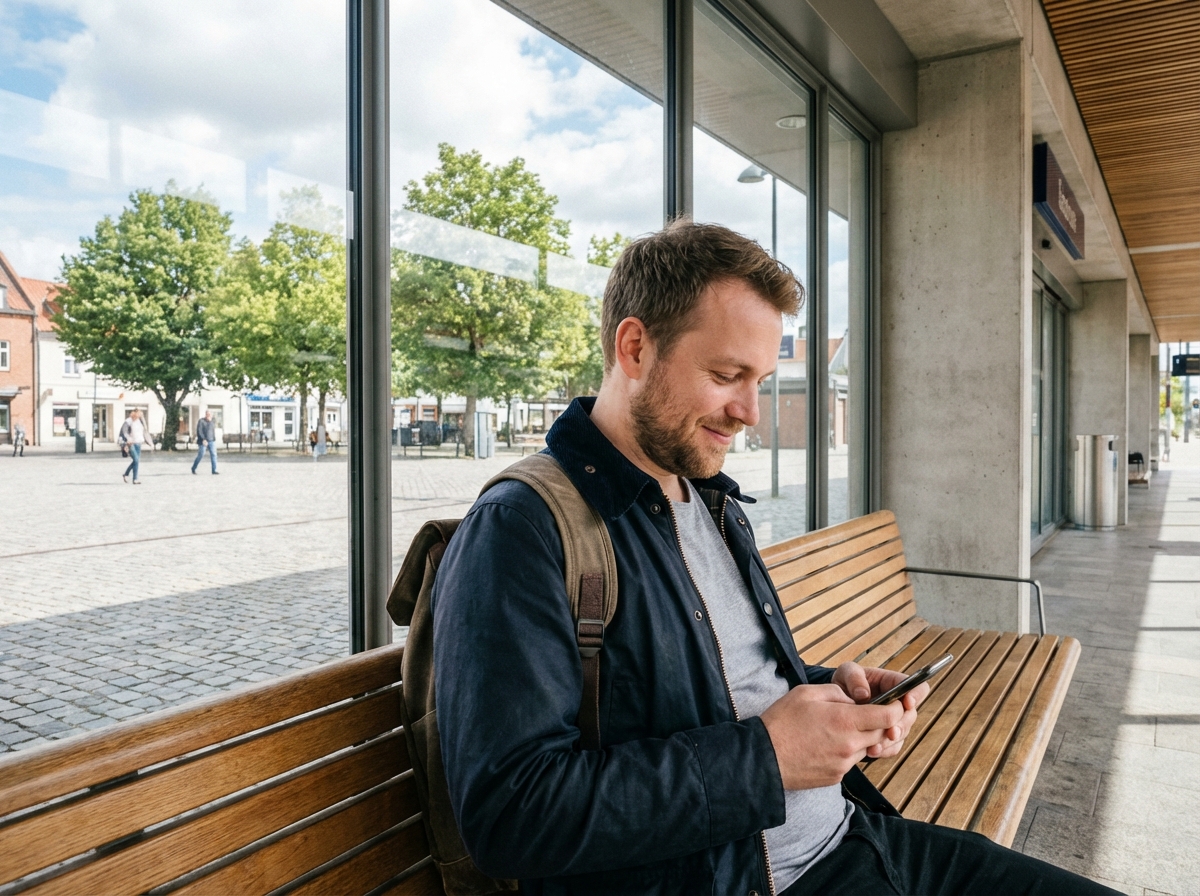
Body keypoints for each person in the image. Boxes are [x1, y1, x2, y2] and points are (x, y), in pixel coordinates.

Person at [431, 221, 1116, 895]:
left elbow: (718, 685)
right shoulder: (522, 528)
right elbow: (511, 818)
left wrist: (831, 696)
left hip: (858, 837)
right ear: (635, 347)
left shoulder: (710, 501)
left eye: (758, 379)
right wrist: (769, 757)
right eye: (728, 375)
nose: (750, 413)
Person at [119, 408, 153, 484]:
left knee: (136, 461)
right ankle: (134, 478)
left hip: (139, 443)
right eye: (138, 414)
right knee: (136, 460)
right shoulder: (128, 421)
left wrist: (150, 443)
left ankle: (127, 475)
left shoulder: (140, 422)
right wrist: (128, 439)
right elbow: (124, 431)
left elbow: (145, 433)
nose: (139, 416)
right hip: (131, 443)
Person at [191, 410, 218, 475]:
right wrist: (203, 439)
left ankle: (214, 470)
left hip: (211, 440)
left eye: (209, 414)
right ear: (205, 414)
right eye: (207, 414)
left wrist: (213, 438)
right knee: (201, 455)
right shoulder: (201, 421)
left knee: (214, 454)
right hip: (203, 441)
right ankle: (193, 468)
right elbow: (199, 431)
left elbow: (212, 431)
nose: (208, 416)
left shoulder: (212, 421)